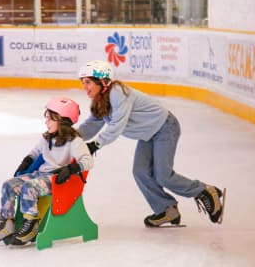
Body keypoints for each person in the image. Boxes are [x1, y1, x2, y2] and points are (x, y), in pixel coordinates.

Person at [77, 60, 225, 227]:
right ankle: (167, 209)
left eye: (88, 82)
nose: (85, 87)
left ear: (103, 81)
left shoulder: (118, 93)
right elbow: (91, 125)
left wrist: (94, 145)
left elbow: (116, 126)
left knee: (163, 176)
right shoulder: (100, 100)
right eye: (83, 82)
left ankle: (205, 191)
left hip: (165, 127)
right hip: (148, 134)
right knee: (140, 172)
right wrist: (70, 136)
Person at [0, 97, 93, 245]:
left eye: (50, 119)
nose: (46, 122)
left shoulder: (74, 141)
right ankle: (7, 223)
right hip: (39, 175)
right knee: (9, 184)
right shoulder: (46, 138)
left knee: (30, 187)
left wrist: (70, 169)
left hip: (57, 179)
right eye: (46, 118)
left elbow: (88, 160)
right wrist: (26, 162)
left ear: (63, 121)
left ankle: (31, 225)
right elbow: (34, 152)